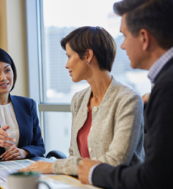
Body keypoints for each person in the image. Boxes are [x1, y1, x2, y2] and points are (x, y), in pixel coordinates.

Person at [78, 0, 173, 189]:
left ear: (144, 38)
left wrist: (94, 171)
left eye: (125, 35)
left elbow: (156, 180)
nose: (122, 44)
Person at [19, 26, 144, 175]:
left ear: (88, 55)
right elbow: (74, 154)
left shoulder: (128, 100)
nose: (66, 65)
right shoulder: (78, 99)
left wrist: (53, 167)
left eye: (69, 56)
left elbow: (115, 162)